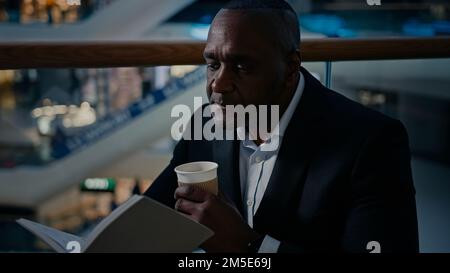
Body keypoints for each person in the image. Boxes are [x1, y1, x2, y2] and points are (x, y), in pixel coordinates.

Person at [144, 0, 419, 253]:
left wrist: (248, 244)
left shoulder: (372, 142)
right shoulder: (205, 123)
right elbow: (146, 218)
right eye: (213, 64)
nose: (218, 84)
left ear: (290, 69)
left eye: (241, 66)